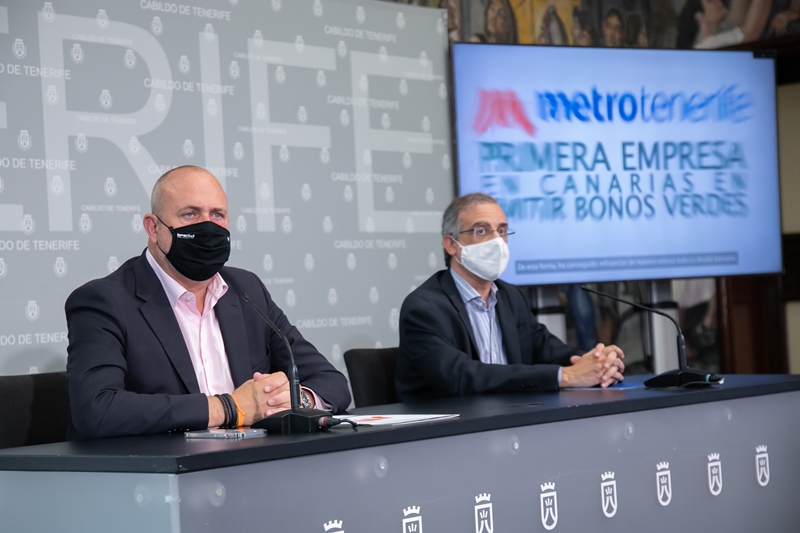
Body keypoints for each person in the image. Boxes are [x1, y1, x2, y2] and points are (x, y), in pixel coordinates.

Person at [65, 166, 350, 439]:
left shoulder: (246, 290)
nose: (208, 226)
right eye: (190, 214)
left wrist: (292, 399)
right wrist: (229, 408)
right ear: (153, 228)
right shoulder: (105, 301)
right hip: (162, 475)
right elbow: (97, 409)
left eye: (217, 215)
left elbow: (332, 382)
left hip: (252, 466)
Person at [396, 193, 625, 402]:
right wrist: (566, 376)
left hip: (509, 423)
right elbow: (460, 377)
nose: (497, 241)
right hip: (444, 434)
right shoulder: (424, 308)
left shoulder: (510, 296)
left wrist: (597, 363)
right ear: (451, 245)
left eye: (502, 231)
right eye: (482, 230)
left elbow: (550, 351)